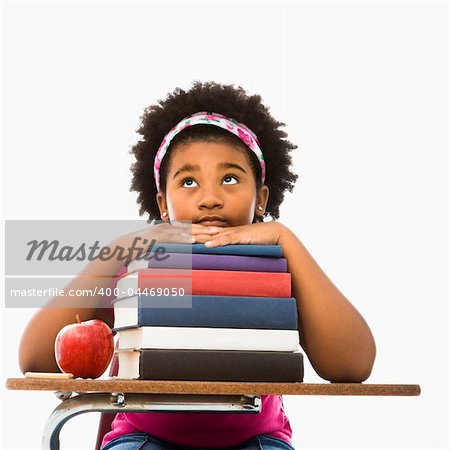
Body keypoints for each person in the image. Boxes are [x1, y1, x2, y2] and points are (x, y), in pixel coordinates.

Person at [19, 81, 376, 450]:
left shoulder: (276, 268)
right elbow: (35, 357)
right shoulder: (143, 267)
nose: (209, 199)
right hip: (145, 438)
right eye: (188, 181)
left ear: (261, 198)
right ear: (162, 203)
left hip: (256, 439)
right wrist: (120, 247)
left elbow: (352, 366)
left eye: (230, 178)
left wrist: (286, 239)